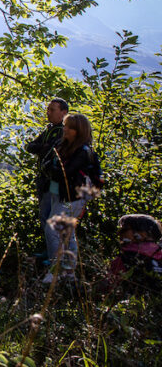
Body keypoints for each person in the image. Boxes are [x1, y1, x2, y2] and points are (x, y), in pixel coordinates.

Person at [41, 112, 102, 283]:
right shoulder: (63, 145)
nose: (65, 129)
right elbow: (46, 165)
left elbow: (64, 173)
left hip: (70, 197)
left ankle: (56, 271)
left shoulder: (82, 151)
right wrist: (53, 171)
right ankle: (69, 273)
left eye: (69, 127)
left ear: (78, 131)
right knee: (68, 233)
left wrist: (52, 171)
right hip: (57, 193)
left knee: (52, 229)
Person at [26, 98, 68, 233]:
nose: (48, 112)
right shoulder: (49, 129)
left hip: (53, 180)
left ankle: (54, 251)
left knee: (49, 215)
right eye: (48, 109)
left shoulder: (63, 131)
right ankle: (50, 249)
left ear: (63, 112)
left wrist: (42, 147)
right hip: (43, 179)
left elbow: (50, 149)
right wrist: (42, 147)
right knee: (44, 215)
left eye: (52, 110)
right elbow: (30, 146)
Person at [106, 214, 162, 292]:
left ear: (142, 233)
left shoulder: (124, 259)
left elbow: (108, 289)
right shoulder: (159, 257)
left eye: (124, 230)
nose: (119, 233)